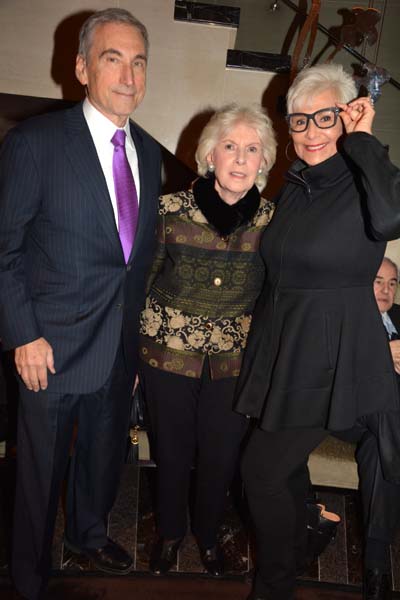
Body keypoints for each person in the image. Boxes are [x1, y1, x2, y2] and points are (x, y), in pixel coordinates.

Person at [0, 8, 161, 599]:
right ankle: (30, 576)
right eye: (112, 58)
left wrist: (139, 346)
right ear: (81, 68)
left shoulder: (149, 152)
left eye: (139, 62)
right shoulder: (36, 144)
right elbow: (4, 248)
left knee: (103, 456)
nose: (128, 75)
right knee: (39, 477)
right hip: (49, 347)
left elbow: (136, 263)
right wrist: (22, 333)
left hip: (118, 347)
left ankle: (88, 535)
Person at [234, 63, 400, 600]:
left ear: (348, 116)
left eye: (325, 118)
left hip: (331, 356)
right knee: (274, 472)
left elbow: (393, 219)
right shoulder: (297, 186)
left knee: (260, 472)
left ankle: (276, 583)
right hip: (287, 349)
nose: (310, 132)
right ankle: (301, 539)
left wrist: (366, 140)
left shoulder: (363, 179)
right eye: (299, 121)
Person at [138, 104, 276, 577]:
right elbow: (142, 282)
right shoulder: (167, 211)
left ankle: (208, 535)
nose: (240, 159)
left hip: (235, 365)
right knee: (172, 452)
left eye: (251, 149)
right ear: (209, 155)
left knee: (219, 457)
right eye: (230, 146)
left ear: (264, 160)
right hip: (166, 357)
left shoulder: (275, 225)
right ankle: (171, 533)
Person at [339, 256, 400, 600]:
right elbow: (333, 370)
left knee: (380, 453)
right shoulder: (349, 317)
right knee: (386, 410)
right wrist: (381, 354)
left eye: (392, 283)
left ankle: (376, 571)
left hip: (384, 431)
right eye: (378, 281)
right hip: (351, 414)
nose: (386, 289)